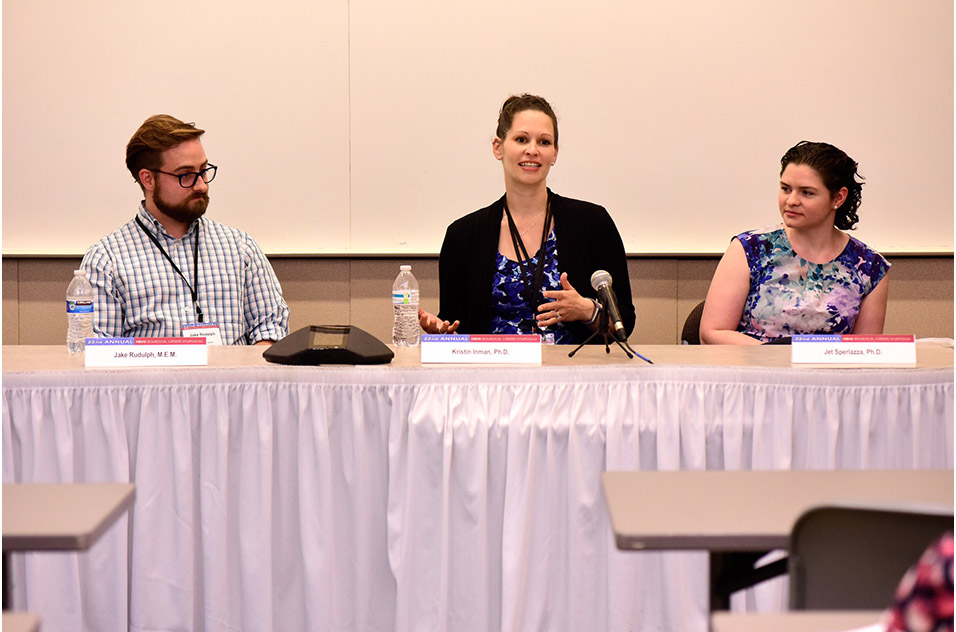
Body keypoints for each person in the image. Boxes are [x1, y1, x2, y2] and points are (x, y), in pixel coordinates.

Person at [418, 94, 635, 344]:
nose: (532, 150)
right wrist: (445, 334)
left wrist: (588, 311)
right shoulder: (463, 235)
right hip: (492, 378)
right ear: (498, 148)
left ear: (554, 154)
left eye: (544, 142)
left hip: (574, 376)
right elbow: (456, 324)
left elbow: (624, 323)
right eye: (521, 139)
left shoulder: (593, 223)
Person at [81, 115, 289, 345]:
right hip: (154, 381)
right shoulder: (106, 260)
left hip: (233, 380)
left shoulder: (240, 247)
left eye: (204, 170)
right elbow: (99, 354)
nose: (201, 185)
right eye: (186, 175)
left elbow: (271, 326)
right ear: (148, 179)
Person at [699, 141, 890, 344]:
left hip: (826, 374)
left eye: (806, 192)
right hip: (755, 370)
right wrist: (781, 358)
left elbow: (865, 353)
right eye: (785, 189)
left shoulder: (869, 267)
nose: (791, 201)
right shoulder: (750, 248)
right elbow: (713, 332)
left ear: (838, 198)